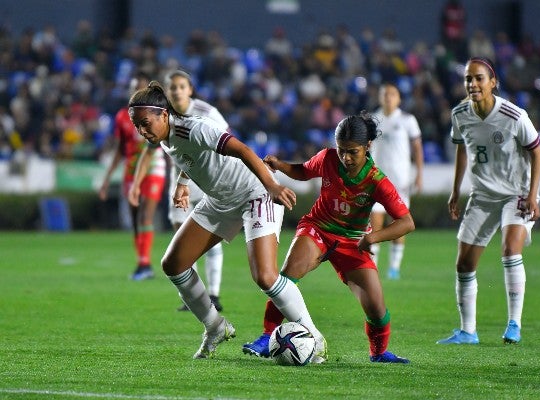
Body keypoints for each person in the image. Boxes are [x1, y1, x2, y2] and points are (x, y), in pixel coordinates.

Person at [127, 81, 326, 361]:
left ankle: (315, 338)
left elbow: (243, 150)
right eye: (137, 126)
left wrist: (272, 185)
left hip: (255, 192)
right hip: (220, 200)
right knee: (173, 264)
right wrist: (183, 183)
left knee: (266, 277)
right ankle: (215, 326)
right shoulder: (165, 137)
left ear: (163, 114)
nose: (142, 131)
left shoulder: (194, 127)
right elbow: (191, 157)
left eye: (145, 123)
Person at [242, 111, 416, 363]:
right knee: (287, 277)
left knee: (377, 309)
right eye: (341, 149)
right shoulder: (327, 158)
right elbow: (304, 171)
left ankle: (378, 353)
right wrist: (281, 166)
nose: (345, 157)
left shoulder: (376, 181)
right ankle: (267, 337)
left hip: (354, 241)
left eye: (352, 152)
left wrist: (373, 238)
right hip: (318, 229)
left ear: (368, 147)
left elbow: (406, 222)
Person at [437, 57, 540, 345]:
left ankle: (514, 324)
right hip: (483, 195)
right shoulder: (460, 113)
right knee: (464, 264)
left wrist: (533, 195)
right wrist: (455, 191)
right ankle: (468, 331)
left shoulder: (513, 114)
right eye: (468, 79)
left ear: (492, 82)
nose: (472, 84)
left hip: (515, 193)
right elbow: (461, 149)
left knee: (510, 250)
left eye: (479, 78)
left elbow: (536, 152)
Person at [165, 69, 227, 312]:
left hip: (205, 181)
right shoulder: (165, 115)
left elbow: (224, 139)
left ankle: (214, 293)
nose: (177, 91)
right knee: (181, 238)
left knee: (211, 238)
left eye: (182, 86)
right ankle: (193, 296)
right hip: (177, 182)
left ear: (190, 89)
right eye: (173, 87)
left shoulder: (207, 112)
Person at [99, 72, 166, 281]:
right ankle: (142, 262)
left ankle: (145, 264)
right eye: (134, 87)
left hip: (154, 167)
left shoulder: (157, 113)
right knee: (136, 219)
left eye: (141, 87)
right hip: (130, 171)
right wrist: (107, 179)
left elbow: (166, 142)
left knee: (146, 216)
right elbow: (120, 149)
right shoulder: (122, 117)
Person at [370, 82, 424, 280]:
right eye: (384, 94)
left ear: (399, 98)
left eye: (392, 94)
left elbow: (417, 147)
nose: (388, 97)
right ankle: (372, 266)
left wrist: (419, 174)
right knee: (375, 224)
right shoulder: (374, 120)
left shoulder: (407, 120)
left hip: (400, 182)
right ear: (380, 97)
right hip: (377, 181)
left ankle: (394, 267)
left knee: (398, 225)